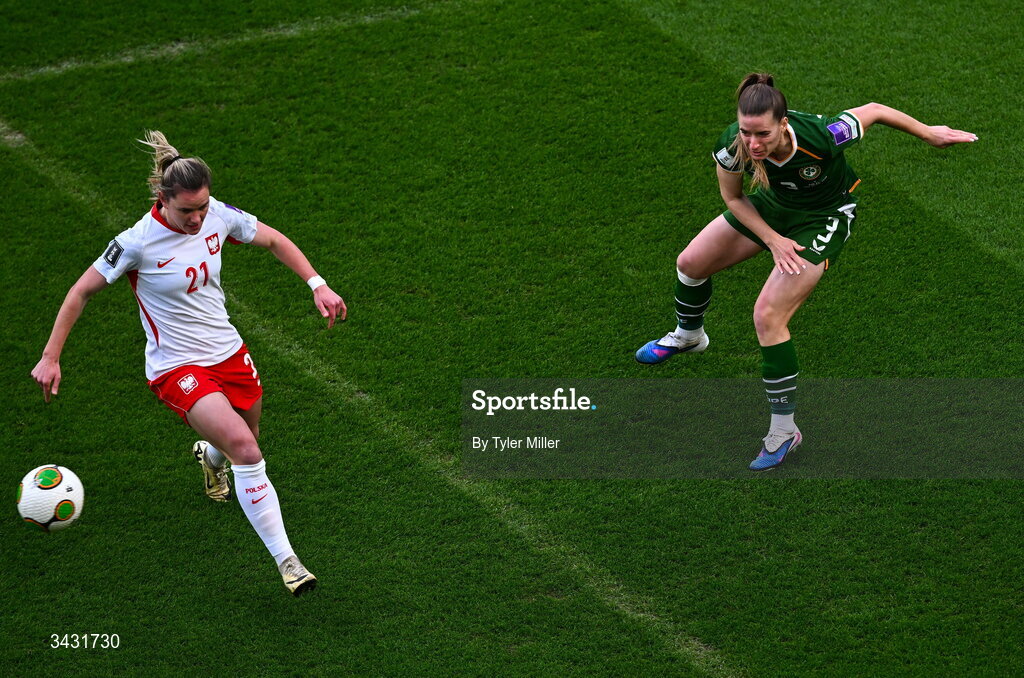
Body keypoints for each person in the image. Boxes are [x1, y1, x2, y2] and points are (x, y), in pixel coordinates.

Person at [31, 131, 346, 595]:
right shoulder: (136, 242)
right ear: (163, 198)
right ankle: (289, 561)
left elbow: (275, 240)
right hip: (176, 366)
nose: (198, 218)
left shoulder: (217, 214)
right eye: (186, 211)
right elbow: (81, 291)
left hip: (228, 352)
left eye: (202, 207)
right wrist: (50, 356)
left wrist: (317, 283)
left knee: (246, 438)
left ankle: (209, 459)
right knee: (248, 449)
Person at [635, 73, 976, 470]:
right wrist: (773, 238)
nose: (753, 143)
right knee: (690, 263)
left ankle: (784, 431)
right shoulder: (734, 144)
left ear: (783, 124)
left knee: (768, 316)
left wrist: (929, 133)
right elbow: (733, 196)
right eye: (746, 132)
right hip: (773, 208)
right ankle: (690, 336)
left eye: (762, 133)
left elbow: (876, 111)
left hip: (823, 216)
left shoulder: (822, 135)